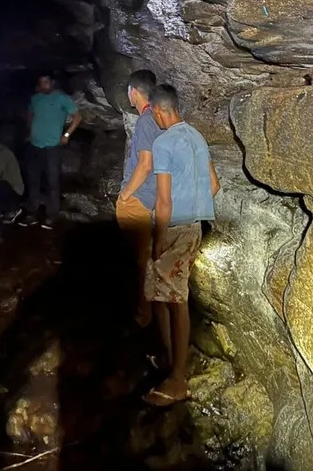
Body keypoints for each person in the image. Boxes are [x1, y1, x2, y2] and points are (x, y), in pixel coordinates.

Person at [143, 83, 221, 407]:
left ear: (159, 111)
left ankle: (177, 379)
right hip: (193, 227)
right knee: (160, 294)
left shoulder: (164, 142)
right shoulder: (197, 137)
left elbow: (163, 201)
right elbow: (214, 186)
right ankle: (168, 358)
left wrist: (159, 239)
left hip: (174, 229)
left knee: (175, 300)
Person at [116, 69, 162, 328]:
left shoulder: (145, 121)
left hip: (139, 198)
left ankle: (143, 314)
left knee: (139, 259)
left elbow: (145, 164)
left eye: (128, 91)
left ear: (133, 91)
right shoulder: (160, 118)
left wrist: (125, 194)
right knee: (145, 256)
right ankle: (148, 309)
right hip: (153, 197)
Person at [25, 72, 82, 228]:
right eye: (41, 82)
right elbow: (30, 113)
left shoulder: (62, 98)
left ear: (52, 82)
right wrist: (29, 131)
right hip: (35, 145)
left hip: (52, 146)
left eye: (46, 82)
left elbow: (77, 117)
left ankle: (52, 214)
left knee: (52, 181)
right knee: (34, 180)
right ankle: (32, 211)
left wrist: (67, 134)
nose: (43, 85)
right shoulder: (36, 98)